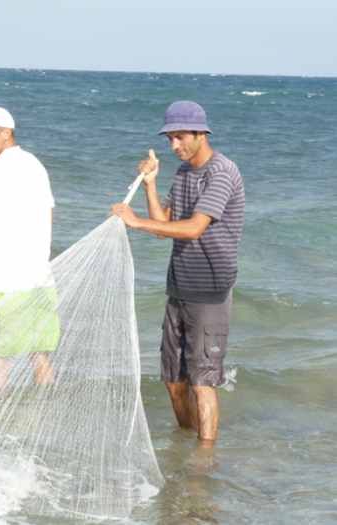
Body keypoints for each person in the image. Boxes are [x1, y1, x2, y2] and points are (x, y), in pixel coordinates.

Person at [111, 101, 245, 446]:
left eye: (180, 137)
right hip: (179, 288)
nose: (174, 146)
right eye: (170, 138)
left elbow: (195, 228)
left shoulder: (222, 172)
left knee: (203, 382)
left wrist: (135, 221)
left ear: (202, 134)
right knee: (174, 382)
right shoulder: (184, 173)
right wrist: (150, 186)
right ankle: (185, 447)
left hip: (210, 291)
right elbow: (164, 227)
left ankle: (204, 462)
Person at [0, 107, 60, 390]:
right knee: (39, 357)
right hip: (39, 280)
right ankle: (45, 413)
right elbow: (48, 215)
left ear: (6, 133)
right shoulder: (35, 165)